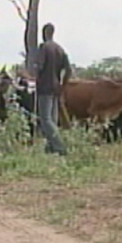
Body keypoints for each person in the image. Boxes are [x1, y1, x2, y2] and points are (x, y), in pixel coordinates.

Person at [34, 23, 71, 156]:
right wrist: (63, 85)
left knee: (45, 119)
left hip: (45, 87)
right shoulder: (60, 49)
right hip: (56, 88)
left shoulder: (44, 47)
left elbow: (39, 67)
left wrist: (33, 77)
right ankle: (50, 149)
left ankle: (60, 147)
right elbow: (69, 70)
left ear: (44, 33)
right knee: (53, 119)